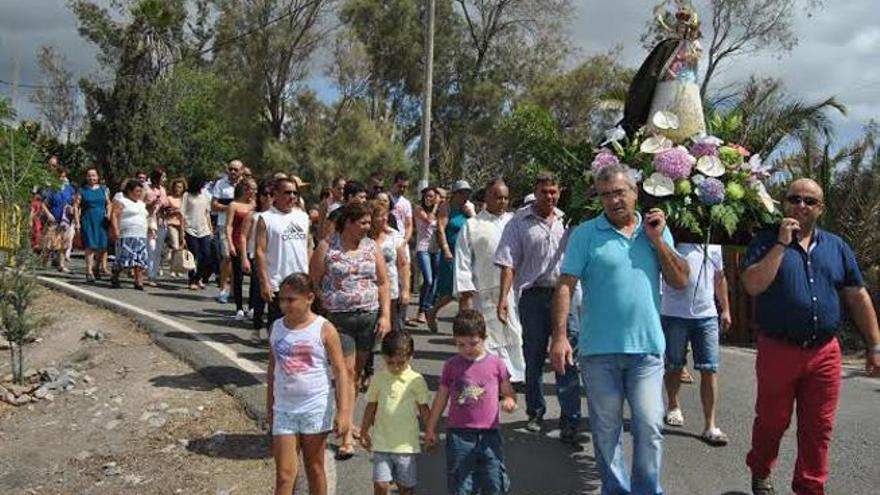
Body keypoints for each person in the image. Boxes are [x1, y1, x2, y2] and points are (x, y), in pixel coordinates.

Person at [551, 164, 689, 495]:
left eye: (619, 192)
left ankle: (646, 490)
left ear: (635, 192)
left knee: (650, 425)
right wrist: (560, 337)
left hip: (646, 350)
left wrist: (658, 241)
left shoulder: (655, 230)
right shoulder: (585, 234)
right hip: (598, 352)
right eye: (605, 195)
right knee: (606, 430)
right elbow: (566, 285)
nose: (613, 200)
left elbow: (680, 280)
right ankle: (614, 490)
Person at [741, 178, 880, 495]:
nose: (800, 206)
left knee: (818, 427)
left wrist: (875, 345)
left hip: (825, 352)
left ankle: (810, 487)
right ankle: (761, 469)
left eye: (809, 201)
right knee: (772, 421)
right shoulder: (765, 241)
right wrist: (781, 244)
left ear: (820, 208)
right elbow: (752, 285)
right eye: (794, 199)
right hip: (778, 350)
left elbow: (857, 295)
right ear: (784, 203)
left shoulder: (837, 247)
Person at [494, 172, 582, 440]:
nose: (549, 197)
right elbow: (508, 263)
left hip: (565, 296)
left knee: (567, 357)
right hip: (533, 297)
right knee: (533, 357)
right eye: (544, 192)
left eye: (554, 191)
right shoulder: (518, 222)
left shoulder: (569, 221)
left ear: (560, 192)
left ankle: (570, 420)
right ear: (535, 192)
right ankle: (535, 412)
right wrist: (503, 298)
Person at [309, 202, 392, 460]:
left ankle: (345, 418)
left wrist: (386, 316)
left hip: (368, 318)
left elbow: (383, 282)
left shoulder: (371, 246)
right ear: (348, 223)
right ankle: (346, 437)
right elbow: (314, 279)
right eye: (363, 222)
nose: (368, 227)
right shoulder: (327, 246)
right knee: (344, 373)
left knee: (355, 375)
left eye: (369, 222)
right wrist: (323, 302)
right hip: (339, 319)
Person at [267, 273, 351, 495]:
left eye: (291, 300)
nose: (285, 305)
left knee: (314, 468)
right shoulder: (276, 328)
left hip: (315, 408)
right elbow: (272, 371)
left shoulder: (324, 328)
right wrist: (270, 408)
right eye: (281, 300)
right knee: (284, 476)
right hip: (284, 409)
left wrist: (343, 412)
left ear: (309, 298)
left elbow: (340, 371)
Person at [425, 309, 516, 495]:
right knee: (460, 482)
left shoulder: (496, 364)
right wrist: (430, 428)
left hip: (489, 433)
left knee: (493, 479)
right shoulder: (451, 365)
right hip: (459, 433)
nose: (467, 349)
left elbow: (509, 392)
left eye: (473, 343)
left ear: (484, 338)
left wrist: (509, 400)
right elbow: (441, 397)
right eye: (461, 344)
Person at [454, 178, 525, 383]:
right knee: (489, 336)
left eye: (505, 198)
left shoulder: (515, 222)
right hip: (484, 291)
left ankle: (516, 375)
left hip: (514, 291)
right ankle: (492, 377)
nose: (502, 202)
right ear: (487, 197)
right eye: (497, 197)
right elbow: (463, 259)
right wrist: (465, 292)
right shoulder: (472, 225)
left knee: (515, 332)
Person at [661, 242, 731, 446]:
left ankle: (710, 425)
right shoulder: (674, 240)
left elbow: (719, 277)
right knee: (674, 364)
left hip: (706, 314)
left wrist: (725, 309)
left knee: (710, 368)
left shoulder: (714, 244)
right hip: (674, 313)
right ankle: (673, 405)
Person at [359, 332, 431, 495]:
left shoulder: (416, 380)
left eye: (401, 363)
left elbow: (423, 408)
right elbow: (371, 406)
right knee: (381, 484)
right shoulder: (378, 379)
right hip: (382, 442)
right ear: (384, 357)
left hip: (406, 445)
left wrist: (430, 431)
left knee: (406, 487)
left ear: (410, 358)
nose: (396, 367)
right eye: (390, 363)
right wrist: (363, 431)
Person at [256, 177, 312, 329]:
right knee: (279, 328)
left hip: (301, 282)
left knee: (300, 328)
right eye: (287, 192)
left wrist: (310, 276)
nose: (292, 196)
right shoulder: (266, 218)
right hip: (278, 283)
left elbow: (308, 246)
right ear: (275, 194)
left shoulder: (302, 217)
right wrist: (264, 282)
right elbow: (260, 252)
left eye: (295, 193)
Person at [427, 180, 472, 333]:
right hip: (451, 254)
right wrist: (446, 249)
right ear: (455, 194)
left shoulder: (465, 209)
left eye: (468, 193)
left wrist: (470, 214)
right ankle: (432, 311)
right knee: (452, 291)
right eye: (463, 193)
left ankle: (462, 327)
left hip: (464, 254)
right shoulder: (446, 207)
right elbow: (440, 229)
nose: (466, 196)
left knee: (464, 290)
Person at [242, 181, 274, 335]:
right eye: (265, 194)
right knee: (258, 293)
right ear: (259, 196)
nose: (268, 197)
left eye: (271, 194)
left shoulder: (277, 216)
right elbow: (244, 236)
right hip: (256, 257)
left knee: (274, 295)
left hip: (273, 259)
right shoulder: (253, 215)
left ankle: (272, 329)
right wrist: (244, 257)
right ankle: (256, 326)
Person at [212, 160, 244, 303]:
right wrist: (230, 208)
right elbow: (214, 205)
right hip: (224, 224)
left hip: (242, 226)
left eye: (236, 170)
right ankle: (224, 288)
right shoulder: (221, 184)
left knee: (238, 258)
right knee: (227, 256)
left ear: (241, 171)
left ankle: (234, 290)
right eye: (230, 169)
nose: (232, 172)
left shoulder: (245, 185)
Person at [110, 179, 150, 290]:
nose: (139, 194)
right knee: (123, 258)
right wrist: (115, 229)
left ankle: (139, 281)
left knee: (140, 259)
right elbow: (114, 215)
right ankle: (115, 275)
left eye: (140, 191)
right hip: (126, 235)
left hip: (141, 235)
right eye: (137, 191)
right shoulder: (122, 201)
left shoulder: (141, 204)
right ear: (129, 191)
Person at [409, 187, 440, 326]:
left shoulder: (439, 212)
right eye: (427, 196)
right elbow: (428, 220)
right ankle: (422, 309)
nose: (429, 199)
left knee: (435, 280)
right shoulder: (418, 209)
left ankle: (427, 309)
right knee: (428, 279)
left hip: (436, 248)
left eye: (432, 196)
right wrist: (436, 206)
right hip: (423, 248)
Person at [226, 179, 256, 321]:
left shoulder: (255, 205)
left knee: (254, 277)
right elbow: (229, 225)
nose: (253, 192)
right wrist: (230, 243)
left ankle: (252, 306)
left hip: (252, 244)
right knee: (238, 277)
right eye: (251, 189)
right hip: (238, 241)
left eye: (255, 189)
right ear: (245, 189)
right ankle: (239, 308)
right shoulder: (234, 205)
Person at [78, 168, 111, 282]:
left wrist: (108, 214)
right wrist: (77, 222)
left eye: (94, 175)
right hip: (88, 219)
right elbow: (76, 206)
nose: (91, 178)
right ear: (86, 177)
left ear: (98, 177)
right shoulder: (82, 190)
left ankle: (96, 267)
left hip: (102, 220)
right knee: (90, 245)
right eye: (89, 176)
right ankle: (89, 271)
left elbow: (108, 203)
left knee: (102, 246)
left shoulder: (103, 189)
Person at [41, 167, 76, 273]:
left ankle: (61, 265)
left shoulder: (70, 189)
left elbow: (74, 202)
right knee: (49, 243)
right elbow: (43, 204)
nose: (62, 178)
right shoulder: (51, 189)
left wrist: (73, 209)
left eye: (64, 176)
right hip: (54, 219)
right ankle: (44, 262)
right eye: (60, 176)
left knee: (64, 244)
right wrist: (48, 214)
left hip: (66, 220)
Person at [182, 175, 214, 290]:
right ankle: (192, 279)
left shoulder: (205, 195)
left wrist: (210, 229)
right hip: (190, 228)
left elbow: (207, 213)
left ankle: (198, 277)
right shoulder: (187, 196)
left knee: (206, 255)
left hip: (204, 229)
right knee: (194, 254)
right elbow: (182, 214)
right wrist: (182, 231)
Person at [144, 168, 168, 286]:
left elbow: (165, 203)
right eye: (163, 177)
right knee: (151, 248)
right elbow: (140, 203)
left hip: (161, 220)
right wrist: (151, 204)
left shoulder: (162, 190)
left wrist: (166, 206)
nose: (164, 179)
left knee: (158, 249)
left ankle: (154, 274)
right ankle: (149, 274)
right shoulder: (146, 188)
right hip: (149, 219)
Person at [165, 178, 187, 272]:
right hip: (172, 223)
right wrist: (176, 211)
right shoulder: (169, 198)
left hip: (183, 225)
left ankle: (178, 266)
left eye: (180, 187)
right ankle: (172, 268)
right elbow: (166, 211)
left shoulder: (185, 199)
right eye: (177, 187)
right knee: (175, 246)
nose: (178, 189)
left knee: (181, 246)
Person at [388, 171, 413, 243]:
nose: (402, 189)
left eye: (405, 187)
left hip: (401, 239)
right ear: (394, 184)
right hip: (387, 238)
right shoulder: (385, 198)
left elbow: (409, 224)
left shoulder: (406, 203)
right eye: (400, 186)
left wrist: (405, 241)